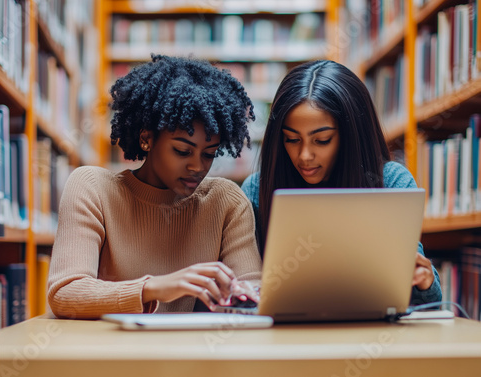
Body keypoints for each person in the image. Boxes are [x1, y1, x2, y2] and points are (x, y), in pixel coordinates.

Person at [48, 55, 262, 319]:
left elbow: (254, 294)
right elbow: (65, 294)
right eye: (183, 151)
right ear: (147, 139)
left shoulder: (226, 202)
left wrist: (244, 294)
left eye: (209, 154)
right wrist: (154, 288)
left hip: (190, 357)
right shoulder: (93, 190)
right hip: (107, 355)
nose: (197, 167)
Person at [241, 60, 441, 305]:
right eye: (291, 140)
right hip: (283, 333)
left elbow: (427, 304)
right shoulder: (256, 189)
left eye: (322, 140)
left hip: (369, 329)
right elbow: (246, 288)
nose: (304, 155)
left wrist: (424, 281)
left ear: (351, 136)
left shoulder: (390, 182)